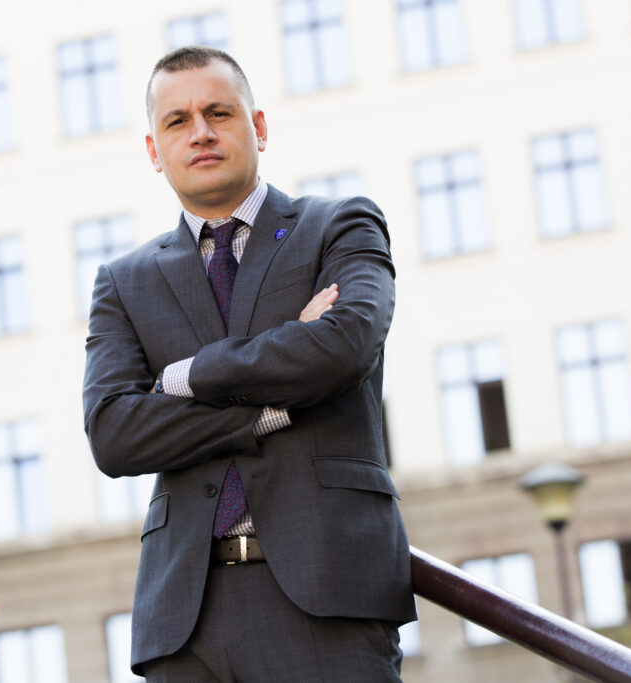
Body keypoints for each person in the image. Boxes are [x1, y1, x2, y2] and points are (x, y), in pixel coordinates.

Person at [82, 46, 416, 682]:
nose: (201, 132)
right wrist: (269, 408)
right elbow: (114, 433)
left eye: (219, 113)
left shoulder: (339, 226)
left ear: (257, 126)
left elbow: (344, 345)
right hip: (186, 620)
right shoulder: (124, 282)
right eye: (177, 121)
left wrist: (185, 377)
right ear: (154, 150)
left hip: (329, 599)